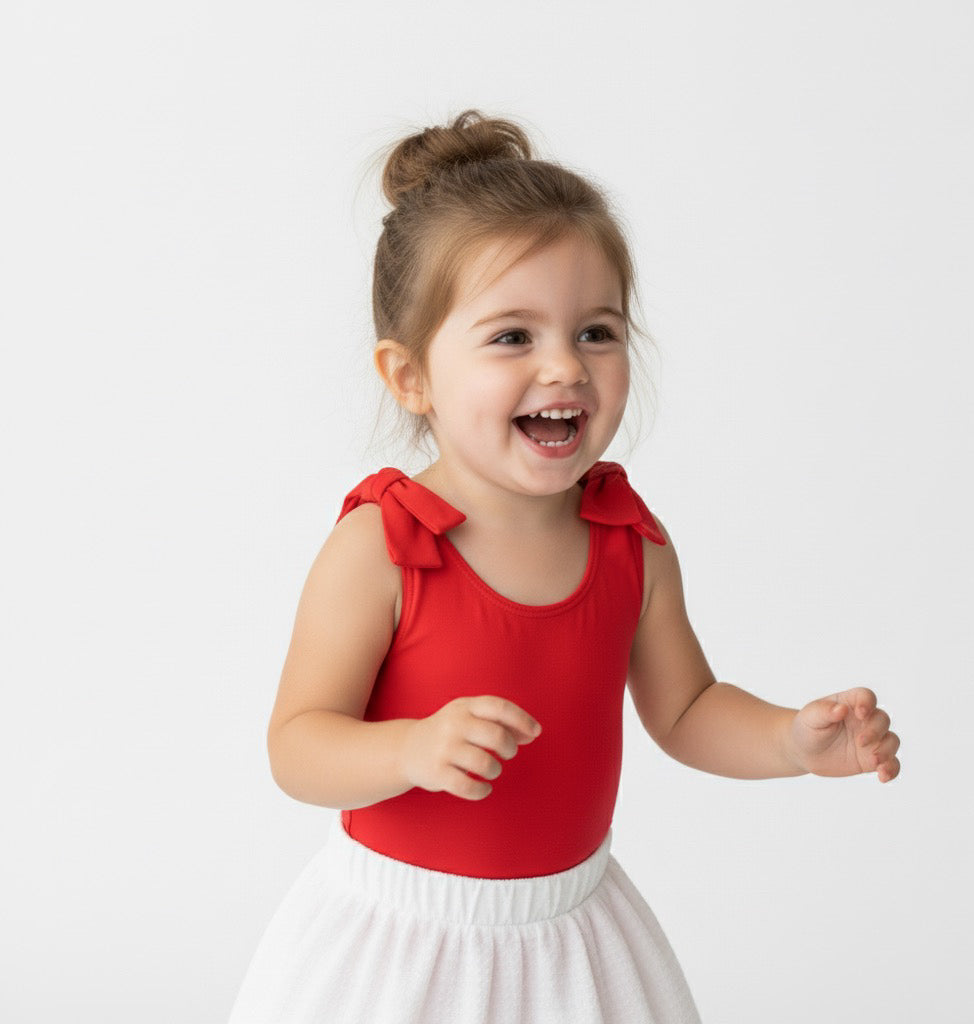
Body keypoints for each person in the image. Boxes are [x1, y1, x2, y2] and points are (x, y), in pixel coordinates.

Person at [227, 109, 901, 1024]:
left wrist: (790, 740)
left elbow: (689, 710)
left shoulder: (630, 541)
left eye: (596, 332)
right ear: (410, 376)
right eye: (512, 337)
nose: (565, 369)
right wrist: (410, 748)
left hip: (571, 942)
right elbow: (297, 745)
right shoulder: (384, 546)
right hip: (402, 948)